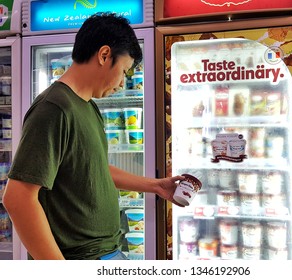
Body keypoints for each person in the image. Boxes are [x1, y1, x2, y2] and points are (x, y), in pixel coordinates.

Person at [2, 12, 184, 260]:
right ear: (104, 55)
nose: (122, 83)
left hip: (106, 253)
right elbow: (18, 199)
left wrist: (155, 186)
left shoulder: (87, 106)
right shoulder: (54, 108)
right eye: (124, 70)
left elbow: (93, 167)